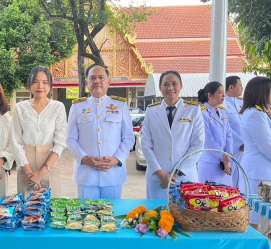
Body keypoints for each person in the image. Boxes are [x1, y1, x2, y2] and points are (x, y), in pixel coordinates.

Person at [67, 64, 134, 199]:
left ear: (108, 82)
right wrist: (85, 159)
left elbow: (128, 138)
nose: (97, 81)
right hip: (86, 174)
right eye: (92, 78)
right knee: (87, 217)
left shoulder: (120, 105)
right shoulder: (77, 107)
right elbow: (70, 139)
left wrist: (117, 159)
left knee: (113, 214)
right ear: (87, 83)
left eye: (101, 77)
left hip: (113, 174)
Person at [141, 70, 205, 199]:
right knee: (156, 215)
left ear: (181, 85)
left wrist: (176, 173)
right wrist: (160, 174)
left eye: (174, 84)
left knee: (185, 217)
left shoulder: (193, 110)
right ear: (160, 88)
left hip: (185, 177)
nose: (170, 88)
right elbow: (146, 144)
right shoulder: (151, 111)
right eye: (165, 84)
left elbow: (198, 144)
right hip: (158, 179)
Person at [11, 66, 67, 198]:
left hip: (49, 163)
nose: (40, 86)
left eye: (45, 82)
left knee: (52, 208)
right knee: (26, 207)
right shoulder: (20, 108)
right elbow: (15, 141)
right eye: (35, 81)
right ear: (30, 85)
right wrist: (29, 173)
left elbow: (60, 142)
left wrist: (41, 173)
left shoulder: (58, 107)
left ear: (50, 85)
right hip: (26, 164)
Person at [238, 76, 271, 230]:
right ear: (262, 93)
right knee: (252, 220)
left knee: (254, 219)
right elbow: (267, 145)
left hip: (258, 171)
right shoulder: (256, 115)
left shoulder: (257, 112)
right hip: (258, 173)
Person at [197, 81, 233, 186]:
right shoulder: (202, 113)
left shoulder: (223, 112)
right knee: (210, 195)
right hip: (210, 162)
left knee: (226, 195)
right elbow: (208, 140)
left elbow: (229, 135)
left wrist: (228, 155)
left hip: (225, 162)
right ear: (210, 95)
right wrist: (223, 157)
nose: (223, 95)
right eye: (220, 92)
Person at [225, 76, 244, 185]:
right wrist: (240, 143)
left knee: (241, 179)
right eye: (240, 86)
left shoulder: (242, 103)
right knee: (229, 179)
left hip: (245, 149)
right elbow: (226, 128)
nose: (242, 88)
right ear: (231, 87)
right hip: (233, 148)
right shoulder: (223, 105)